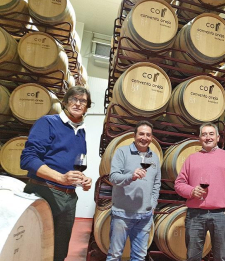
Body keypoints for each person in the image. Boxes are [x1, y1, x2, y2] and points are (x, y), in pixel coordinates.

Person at [20, 86, 93, 261]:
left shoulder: (80, 132)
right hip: (44, 192)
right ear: (66, 102)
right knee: (36, 248)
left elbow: (76, 165)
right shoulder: (48, 122)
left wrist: (82, 179)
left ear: (87, 107)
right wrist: (60, 177)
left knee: (59, 253)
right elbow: (27, 159)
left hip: (69, 198)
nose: (77, 103)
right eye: (74, 99)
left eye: (82, 101)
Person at [174, 122, 225, 261]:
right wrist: (191, 191)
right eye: (204, 134)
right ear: (200, 138)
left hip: (221, 214)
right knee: (192, 256)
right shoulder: (191, 158)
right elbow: (179, 184)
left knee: (221, 257)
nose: (208, 137)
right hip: (195, 214)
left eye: (211, 134)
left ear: (218, 137)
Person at [106, 121, 161, 261]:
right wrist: (131, 176)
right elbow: (113, 177)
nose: (144, 137)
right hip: (122, 214)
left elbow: (156, 183)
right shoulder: (122, 152)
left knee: (139, 256)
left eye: (148, 135)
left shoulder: (154, 157)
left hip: (145, 216)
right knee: (115, 255)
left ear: (152, 137)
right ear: (134, 135)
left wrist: (152, 205)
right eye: (141, 134)